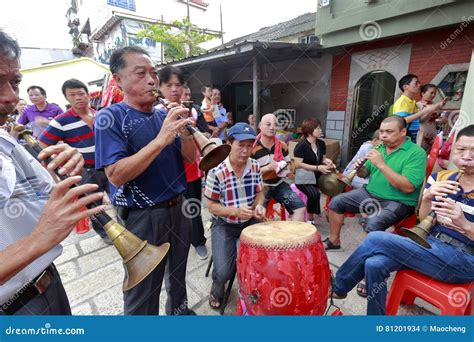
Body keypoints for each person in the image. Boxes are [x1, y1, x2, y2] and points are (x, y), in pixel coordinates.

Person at [0, 30, 105, 315]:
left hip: (47, 282)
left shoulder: (5, 137)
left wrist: (54, 172)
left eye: (15, 82)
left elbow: (35, 195)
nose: (11, 97)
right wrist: (38, 238)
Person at [94, 46, 196, 316]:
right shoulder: (110, 117)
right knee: (143, 292)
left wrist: (185, 131)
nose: (152, 80)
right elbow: (115, 174)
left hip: (179, 208)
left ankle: (179, 314)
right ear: (118, 80)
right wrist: (161, 139)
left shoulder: (164, 114)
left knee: (178, 277)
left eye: (153, 74)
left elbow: (188, 158)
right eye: (141, 74)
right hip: (144, 217)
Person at [332, 124, 474, 315]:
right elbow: (423, 219)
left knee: (376, 238)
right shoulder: (440, 178)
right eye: (461, 150)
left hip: (463, 259)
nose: (466, 157)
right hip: (430, 244)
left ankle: (337, 287)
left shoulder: (415, 154)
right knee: (374, 264)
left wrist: (464, 223)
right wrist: (427, 198)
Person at [325, 116, 426, 249]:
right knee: (336, 203)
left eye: (389, 132)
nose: (383, 136)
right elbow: (365, 173)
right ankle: (334, 241)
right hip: (370, 193)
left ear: (403, 132)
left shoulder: (416, 153)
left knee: (373, 223)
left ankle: (368, 255)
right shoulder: (380, 148)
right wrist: (360, 169)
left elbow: (408, 187)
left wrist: (381, 164)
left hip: (399, 201)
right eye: (382, 131)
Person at [38, 78, 111, 244]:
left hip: (108, 166)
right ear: (66, 98)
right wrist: (62, 163)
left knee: (120, 197)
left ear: (88, 95)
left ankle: (123, 226)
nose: (78, 97)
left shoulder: (100, 115)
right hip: (86, 171)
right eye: (72, 95)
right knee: (93, 205)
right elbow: (42, 145)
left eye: (81, 93)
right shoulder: (61, 121)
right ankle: (105, 233)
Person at [204, 122, 266, 309]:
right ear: (229, 143)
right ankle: (217, 288)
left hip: (250, 222)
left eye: (250, 145)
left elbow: (260, 193)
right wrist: (236, 212)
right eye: (241, 145)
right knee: (223, 273)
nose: (246, 150)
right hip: (225, 224)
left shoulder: (255, 166)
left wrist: (259, 206)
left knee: (266, 260)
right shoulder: (216, 172)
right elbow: (211, 206)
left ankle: (256, 290)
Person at [157, 66, 208, 260]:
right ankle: (175, 244)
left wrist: (193, 131)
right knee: (171, 214)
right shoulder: (156, 113)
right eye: (168, 85)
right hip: (169, 174)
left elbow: (204, 134)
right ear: (160, 87)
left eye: (178, 85)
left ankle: (199, 241)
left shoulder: (193, 111)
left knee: (194, 209)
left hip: (192, 171)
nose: (174, 90)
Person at [251, 113, 305, 222]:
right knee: (259, 216)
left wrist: (289, 170)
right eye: (268, 124)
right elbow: (249, 172)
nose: (272, 127)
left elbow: (289, 164)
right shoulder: (253, 147)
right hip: (261, 187)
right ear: (260, 126)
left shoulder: (282, 145)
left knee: (300, 208)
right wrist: (268, 168)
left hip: (279, 184)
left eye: (275, 124)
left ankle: (291, 238)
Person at [294, 118, 335, 223]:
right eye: (317, 128)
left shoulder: (321, 143)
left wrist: (328, 161)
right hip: (303, 178)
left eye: (320, 128)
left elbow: (323, 158)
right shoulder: (301, 146)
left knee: (335, 186)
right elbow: (298, 164)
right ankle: (310, 217)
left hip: (317, 175)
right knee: (315, 194)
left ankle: (329, 211)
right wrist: (317, 167)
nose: (320, 130)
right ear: (309, 131)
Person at [392, 74, 445, 142]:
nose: (419, 85)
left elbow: (419, 119)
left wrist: (433, 109)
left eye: (419, 82)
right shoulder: (402, 101)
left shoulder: (412, 101)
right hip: (405, 138)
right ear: (405, 87)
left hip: (413, 137)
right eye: (416, 83)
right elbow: (401, 121)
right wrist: (423, 111)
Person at [416, 84, 441, 152]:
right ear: (423, 93)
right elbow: (421, 119)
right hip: (423, 132)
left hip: (432, 133)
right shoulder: (419, 105)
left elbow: (433, 120)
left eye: (434, 93)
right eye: (431, 93)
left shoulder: (433, 104)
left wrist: (441, 120)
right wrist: (432, 109)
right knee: (420, 153)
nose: (433, 95)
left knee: (431, 155)